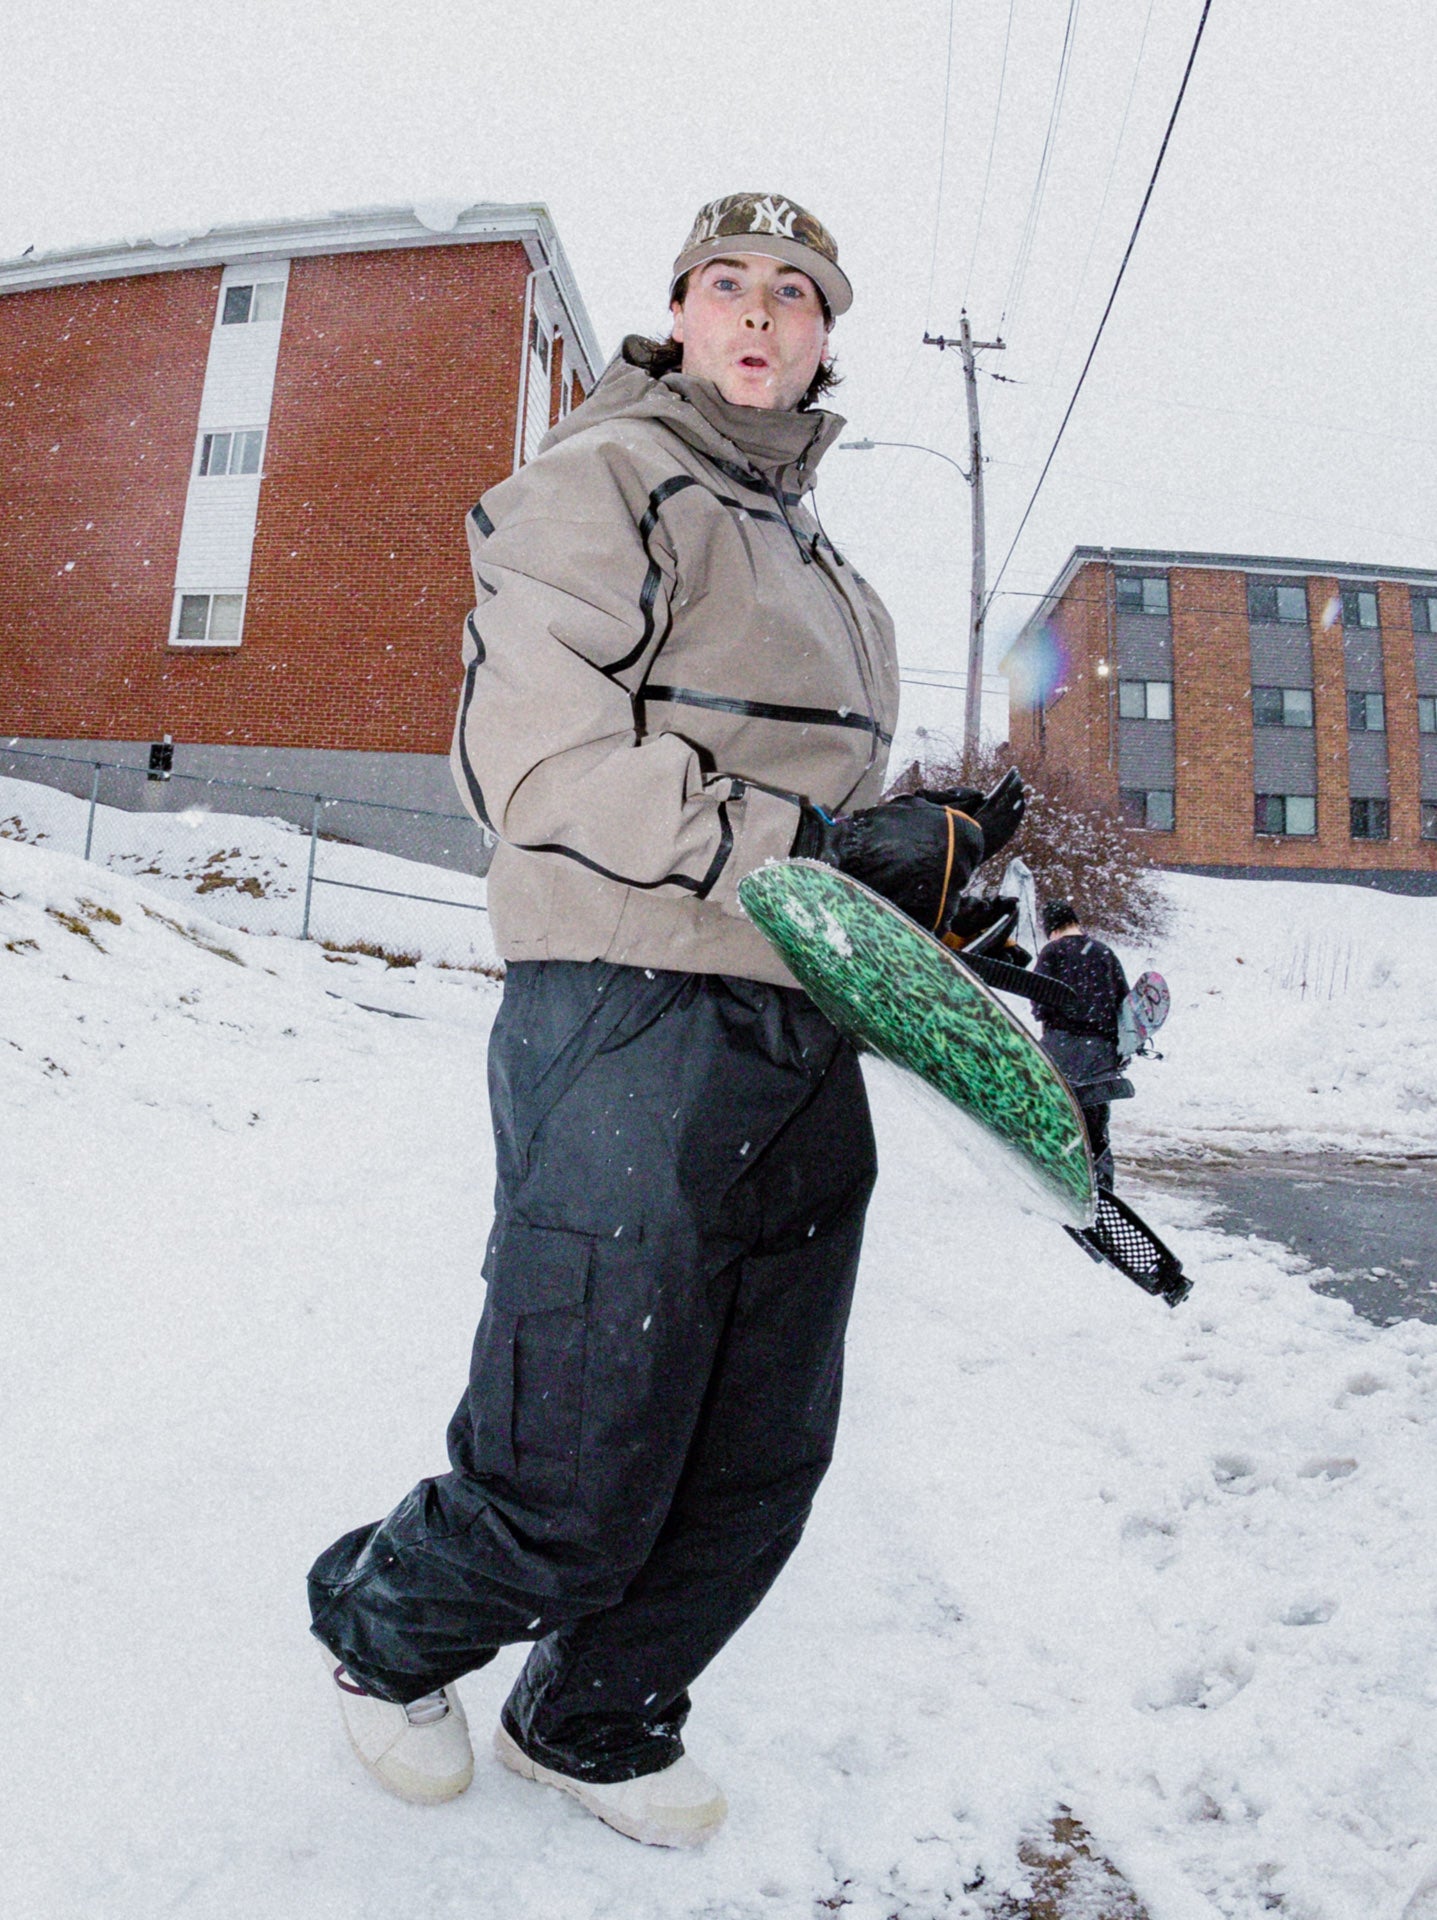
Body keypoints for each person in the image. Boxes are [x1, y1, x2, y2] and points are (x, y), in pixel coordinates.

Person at [306, 191, 1023, 1849]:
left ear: (827, 332)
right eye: (727, 286)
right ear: (681, 316)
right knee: (577, 1448)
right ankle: (382, 1636)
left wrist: (936, 892)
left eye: (795, 292)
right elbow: (543, 760)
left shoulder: (834, 569)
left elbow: (819, 818)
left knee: (755, 1450)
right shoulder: (602, 477)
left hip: (795, 1027)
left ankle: (592, 1711)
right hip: (626, 1005)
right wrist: (820, 854)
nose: (760, 314)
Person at [1032, 899, 1133, 1189]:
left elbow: (1039, 1002)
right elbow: (1124, 1003)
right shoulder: (1104, 952)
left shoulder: (1052, 952)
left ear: (1050, 927)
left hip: (1061, 1046)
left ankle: (1056, 1182)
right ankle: (1100, 1187)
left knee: (1057, 1114)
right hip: (1100, 1050)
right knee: (1095, 1124)